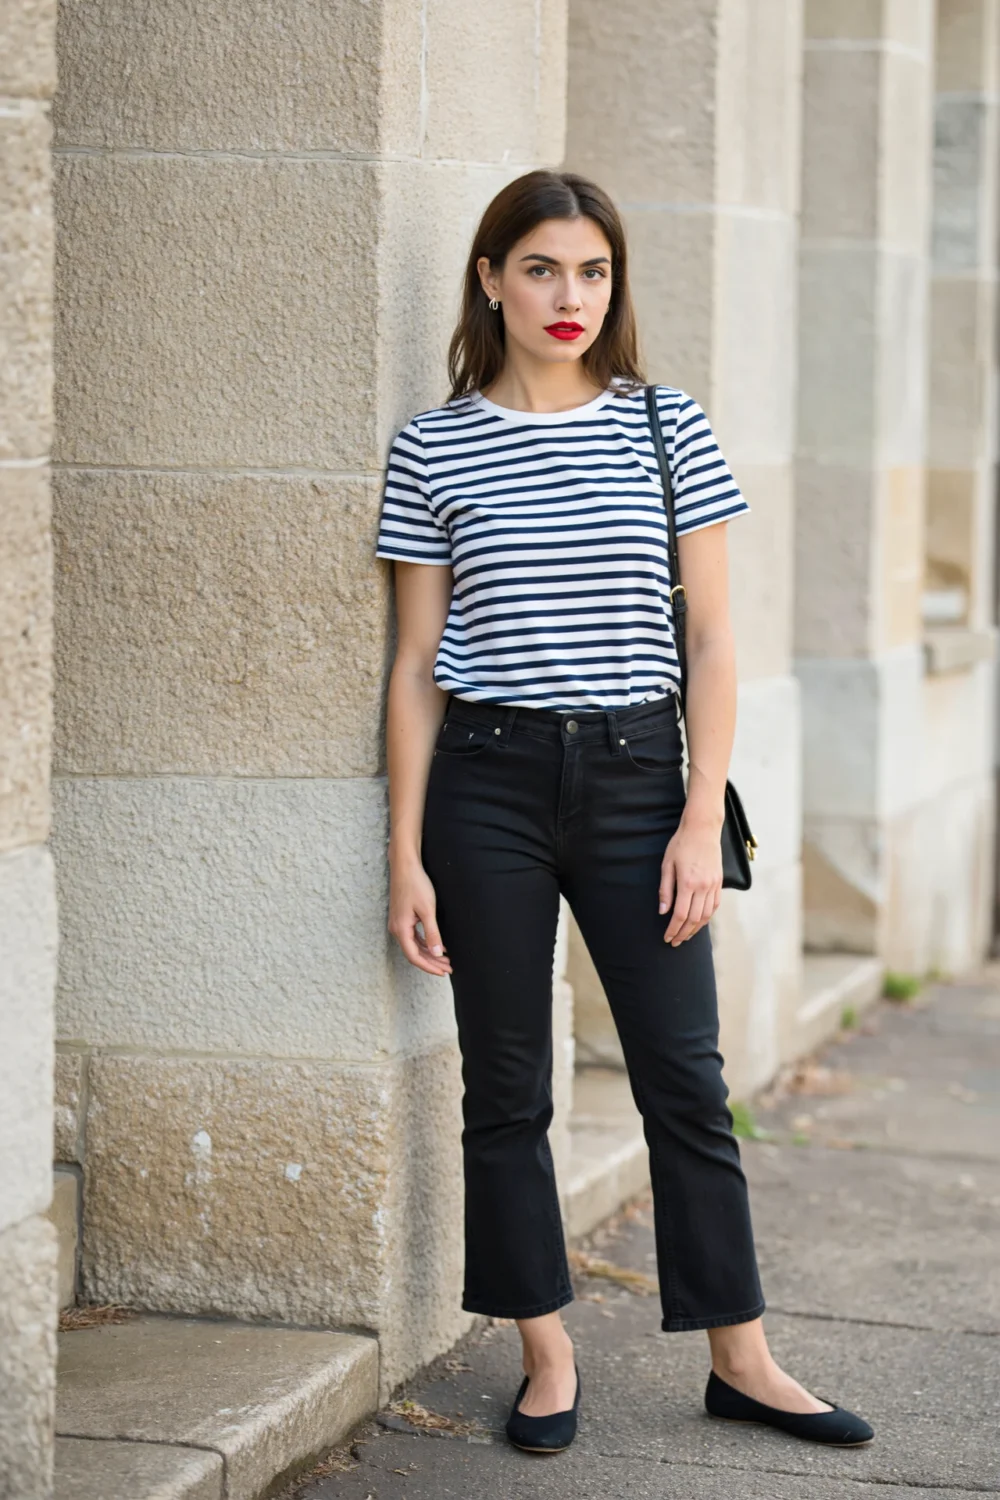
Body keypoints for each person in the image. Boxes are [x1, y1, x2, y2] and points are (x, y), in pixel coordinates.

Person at [374, 169, 873, 1455]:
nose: (569, 297)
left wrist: (699, 813)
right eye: (541, 268)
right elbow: (414, 669)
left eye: (591, 272)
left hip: (644, 779)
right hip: (485, 782)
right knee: (507, 1082)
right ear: (490, 277)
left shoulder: (663, 426)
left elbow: (711, 640)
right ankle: (543, 1356)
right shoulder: (432, 445)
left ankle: (743, 1358)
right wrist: (403, 857)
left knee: (684, 1079)